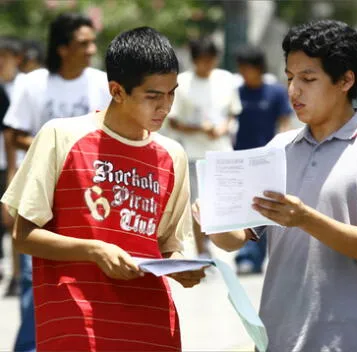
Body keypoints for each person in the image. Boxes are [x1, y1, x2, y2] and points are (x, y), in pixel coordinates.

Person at [1, 26, 207, 350]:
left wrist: (182, 270)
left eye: (172, 93)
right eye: (153, 96)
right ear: (117, 91)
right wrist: (94, 250)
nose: (165, 107)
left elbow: (168, 246)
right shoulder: (61, 136)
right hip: (77, 327)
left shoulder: (173, 155)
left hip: (152, 328)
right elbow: (23, 235)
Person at [198, 20, 357, 351]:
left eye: (308, 79)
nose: (293, 91)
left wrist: (305, 219)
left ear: (346, 79)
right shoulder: (278, 149)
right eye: (289, 78)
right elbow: (236, 239)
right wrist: (212, 220)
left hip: (353, 339)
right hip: (281, 335)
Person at [2, 13, 112, 351]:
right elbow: (14, 135)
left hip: (88, 197)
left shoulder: (101, 83)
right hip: (39, 194)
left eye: (93, 42)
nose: (92, 49)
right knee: (33, 278)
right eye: (83, 43)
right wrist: (11, 188)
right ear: (62, 48)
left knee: (82, 277)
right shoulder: (32, 84)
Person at [167, 36, 242, 259]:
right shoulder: (182, 83)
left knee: (223, 202)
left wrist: (223, 128)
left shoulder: (226, 79)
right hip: (194, 154)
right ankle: (202, 251)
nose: (207, 65)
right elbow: (174, 121)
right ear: (194, 60)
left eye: (211, 60)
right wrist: (200, 129)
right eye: (203, 60)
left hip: (222, 151)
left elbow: (232, 112)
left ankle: (222, 246)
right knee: (198, 204)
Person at [232, 46, 293, 274]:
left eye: (246, 68)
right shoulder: (237, 92)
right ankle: (246, 256)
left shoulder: (275, 92)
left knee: (265, 208)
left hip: (268, 159)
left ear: (258, 68)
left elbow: (285, 122)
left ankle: (264, 257)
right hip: (241, 158)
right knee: (245, 208)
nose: (243, 72)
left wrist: (282, 151)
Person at [0, 35, 25, 297]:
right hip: (6, 162)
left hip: (16, 163)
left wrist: (11, 173)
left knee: (16, 220)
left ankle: (20, 275)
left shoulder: (23, 88)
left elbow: (12, 137)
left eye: (3, 58)